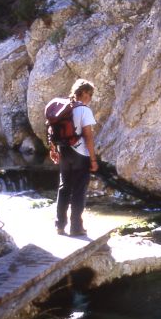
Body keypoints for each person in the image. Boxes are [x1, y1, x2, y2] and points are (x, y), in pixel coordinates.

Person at [48, 78, 100, 237]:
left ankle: (60, 225)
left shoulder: (64, 108)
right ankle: (76, 227)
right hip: (80, 154)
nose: (90, 98)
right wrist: (93, 160)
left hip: (64, 151)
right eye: (89, 94)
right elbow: (88, 137)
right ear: (83, 93)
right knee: (78, 190)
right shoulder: (84, 110)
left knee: (64, 188)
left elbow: (51, 129)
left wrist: (53, 149)